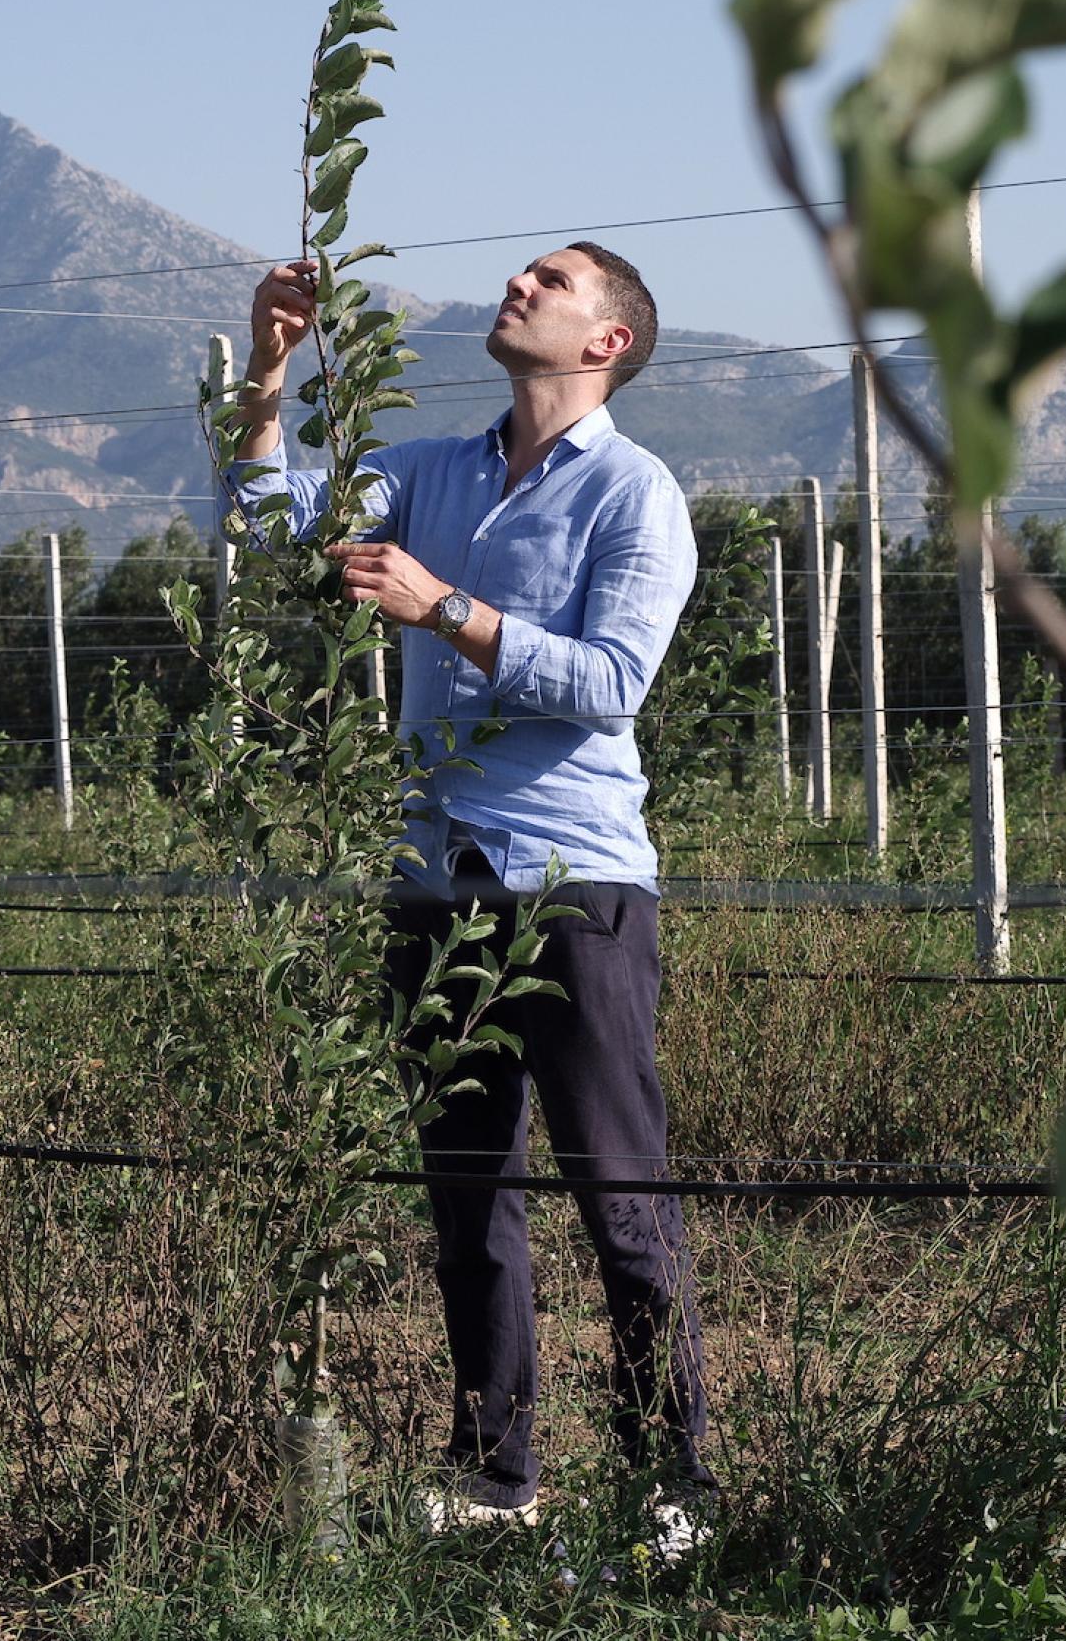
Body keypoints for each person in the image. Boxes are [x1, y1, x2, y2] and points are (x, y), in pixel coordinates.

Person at [224, 241, 712, 1548]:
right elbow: (277, 546)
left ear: (606, 342)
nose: (520, 283)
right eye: (522, 272)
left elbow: (612, 681)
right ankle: (499, 1477)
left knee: (620, 1193)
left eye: (551, 281)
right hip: (435, 884)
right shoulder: (429, 471)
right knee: (467, 1200)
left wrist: (450, 611)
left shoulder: (634, 494)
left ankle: (676, 1486)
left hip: (575, 881)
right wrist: (267, 384)